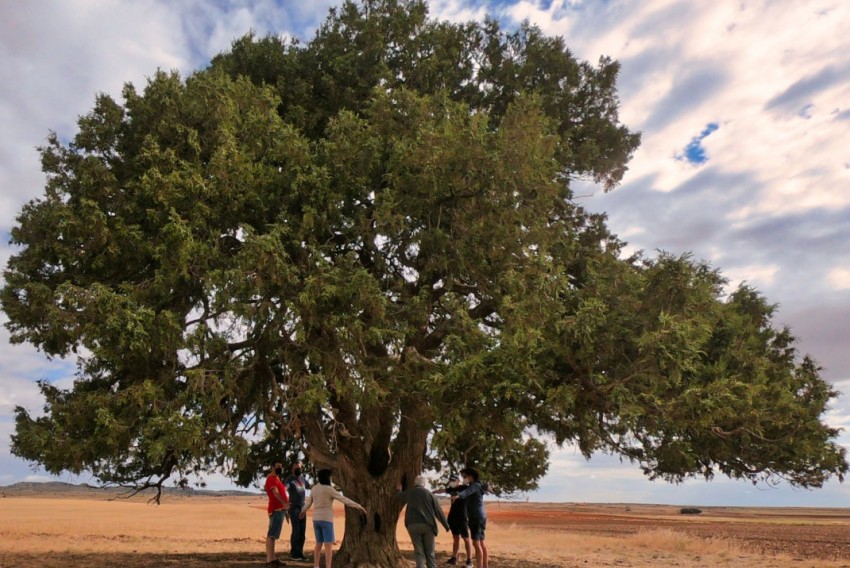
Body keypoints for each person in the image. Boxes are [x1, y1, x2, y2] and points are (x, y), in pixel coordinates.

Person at [300, 468, 367, 568]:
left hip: (316, 519)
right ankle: (328, 566)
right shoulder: (329, 489)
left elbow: (308, 503)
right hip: (326, 519)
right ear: (327, 478)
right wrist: (359, 506)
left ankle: (316, 566)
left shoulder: (314, 488)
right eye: (330, 477)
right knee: (328, 545)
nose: (331, 478)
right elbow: (344, 499)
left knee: (318, 544)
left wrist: (303, 511)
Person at [397, 475, 451, 568]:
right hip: (428, 525)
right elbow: (438, 511)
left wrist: (399, 490)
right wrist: (446, 525)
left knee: (419, 552)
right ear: (424, 484)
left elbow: (399, 497)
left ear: (415, 483)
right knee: (430, 552)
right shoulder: (429, 494)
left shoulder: (409, 492)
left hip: (412, 525)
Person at [452, 468, 488, 568]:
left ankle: (480, 566)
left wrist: (458, 496)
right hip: (479, 516)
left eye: (464, 476)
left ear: (471, 476)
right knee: (481, 542)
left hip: (476, 517)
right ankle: (485, 566)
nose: (464, 478)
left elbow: (467, 491)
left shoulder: (475, 485)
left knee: (476, 543)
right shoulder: (477, 485)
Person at [435, 474, 473, 567]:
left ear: (458, 481)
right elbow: (442, 490)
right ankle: (454, 558)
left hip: (463, 517)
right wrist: (433, 492)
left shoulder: (465, 488)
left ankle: (469, 560)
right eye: (450, 480)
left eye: (453, 480)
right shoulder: (452, 489)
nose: (451, 482)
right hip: (453, 517)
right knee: (456, 538)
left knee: (466, 538)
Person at [264, 461, 290, 566]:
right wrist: (284, 503)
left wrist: (286, 510)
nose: (280, 468)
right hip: (276, 509)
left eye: (281, 467)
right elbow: (275, 493)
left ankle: (272, 558)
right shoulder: (271, 478)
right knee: (271, 535)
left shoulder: (277, 479)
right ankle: (270, 560)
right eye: (278, 467)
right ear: (272, 467)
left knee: (274, 535)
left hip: (281, 510)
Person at [284, 461, 311, 561]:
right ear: (292, 470)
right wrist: (285, 505)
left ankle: (300, 553)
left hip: (303, 509)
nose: (298, 469)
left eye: (299, 467)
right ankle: (294, 553)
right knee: (296, 530)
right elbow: (284, 489)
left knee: (302, 532)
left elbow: (310, 486)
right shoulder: (289, 480)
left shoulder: (303, 478)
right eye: (296, 468)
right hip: (293, 509)